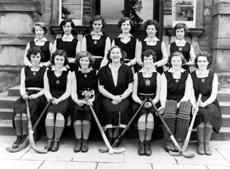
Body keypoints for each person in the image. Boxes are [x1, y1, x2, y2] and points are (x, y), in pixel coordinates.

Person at [98, 46, 133, 146]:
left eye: (118, 53)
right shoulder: (103, 70)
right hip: (107, 97)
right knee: (108, 108)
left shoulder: (127, 69)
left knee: (120, 109)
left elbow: (130, 87)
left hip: (123, 97)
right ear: (109, 55)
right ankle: (110, 135)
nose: (115, 55)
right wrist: (113, 97)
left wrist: (120, 98)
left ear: (122, 55)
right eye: (113, 53)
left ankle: (117, 135)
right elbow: (101, 88)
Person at [12, 46, 46, 148]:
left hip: (39, 95)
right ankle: (19, 136)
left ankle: (27, 136)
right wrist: (23, 94)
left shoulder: (45, 69)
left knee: (26, 113)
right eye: (33, 57)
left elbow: (46, 88)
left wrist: (37, 95)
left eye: (38, 57)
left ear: (41, 57)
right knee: (18, 113)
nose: (36, 59)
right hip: (27, 94)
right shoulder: (25, 69)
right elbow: (22, 85)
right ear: (29, 57)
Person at [160, 51, 192, 152]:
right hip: (169, 100)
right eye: (174, 61)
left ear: (182, 62)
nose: (176, 63)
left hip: (182, 100)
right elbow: (163, 92)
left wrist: (178, 105)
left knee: (184, 111)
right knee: (169, 110)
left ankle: (179, 140)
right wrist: (163, 104)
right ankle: (169, 140)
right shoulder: (165, 74)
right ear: (170, 62)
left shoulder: (187, 75)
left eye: (178, 61)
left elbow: (188, 94)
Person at [190, 52, 222, 155]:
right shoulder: (191, 75)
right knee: (201, 113)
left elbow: (213, 95)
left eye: (204, 61)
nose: (202, 63)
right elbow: (190, 93)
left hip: (209, 100)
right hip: (196, 100)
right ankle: (200, 143)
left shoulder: (213, 75)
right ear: (196, 62)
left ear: (208, 62)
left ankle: (206, 144)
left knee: (210, 112)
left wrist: (205, 103)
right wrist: (194, 104)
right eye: (199, 61)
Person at [132, 50, 161, 156]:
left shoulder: (158, 75)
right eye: (146, 59)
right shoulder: (136, 75)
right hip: (140, 100)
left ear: (153, 60)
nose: (148, 61)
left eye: (150, 59)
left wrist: (152, 102)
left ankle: (147, 143)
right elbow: (134, 94)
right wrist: (140, 102)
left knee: (150, 118)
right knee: (142, 118)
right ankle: (141, 142)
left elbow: (158, 95)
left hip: (153, 100)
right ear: (142, 61)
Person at [43, 49, 71, 152]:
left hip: (63, 98)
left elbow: (68, 91)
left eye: (61, 59)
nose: (59, 61)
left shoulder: (68, 73)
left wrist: (59, 100)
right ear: (53, 60)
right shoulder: (48, 72)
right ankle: (50, 140)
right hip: (51, 97)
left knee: (59, 114)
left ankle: (56, 140)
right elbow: (46, 89)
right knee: (50, 115)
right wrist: (50, 98)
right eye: (57, 59)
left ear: (65, 60)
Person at [70, 51, 98, 153]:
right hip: (78, 99)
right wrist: (77, 101)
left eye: (86, 60)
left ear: (90, 61)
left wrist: (92, 99)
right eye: (82, 60)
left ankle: (85, 140)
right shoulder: (74, 74)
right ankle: (78, 140)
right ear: (79, 61)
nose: (84, 62)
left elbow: (97, 90)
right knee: (77, 110)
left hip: (90, 100)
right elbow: (73, 92)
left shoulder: (95, 72)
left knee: (87, 111)